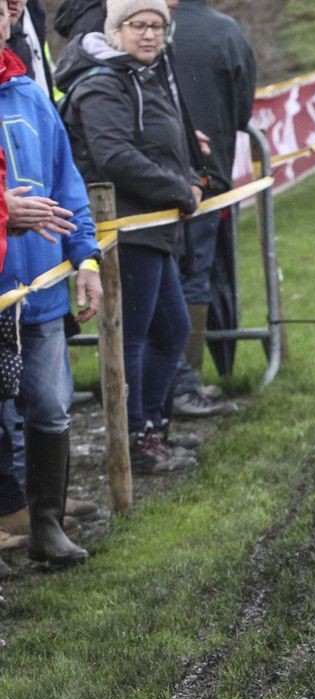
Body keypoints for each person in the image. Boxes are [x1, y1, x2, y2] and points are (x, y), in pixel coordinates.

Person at [55, 0, 199, 474]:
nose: (149, 34)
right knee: (133, 338)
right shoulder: (101, 82)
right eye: (139, 24)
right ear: (115, 29)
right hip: (125, 227)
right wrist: (177, 187)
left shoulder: (142, 75)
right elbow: (113, 154)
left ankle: (152, 429)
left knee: (173, 330)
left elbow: (159, 140)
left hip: (154, 223)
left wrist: (192, 176)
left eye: (158, 26)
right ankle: (134, 440)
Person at [0, 0, 102, 566]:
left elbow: (68, 183)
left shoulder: (32, 95)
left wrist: (86, 260)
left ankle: (46, 525)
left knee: (50, 408)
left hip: (38, 287)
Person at [166, 0, 255, 419]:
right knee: (194, 276)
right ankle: (185, 383)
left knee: (158, 280)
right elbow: (243, 108)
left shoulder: (135, 27)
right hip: (206, 173)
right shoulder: (224, 31)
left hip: (151, 177)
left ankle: (168, 382)